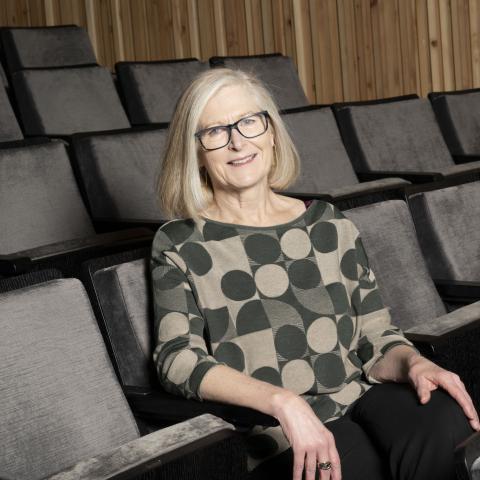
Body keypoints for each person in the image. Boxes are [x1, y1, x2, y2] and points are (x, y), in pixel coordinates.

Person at [151, 68, 479, 480]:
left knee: (443, 421)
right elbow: (176, 358)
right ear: (196, 150)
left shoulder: (327, 222)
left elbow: (375, 335)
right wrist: (283, 402)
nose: (237, 141)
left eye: (249, 121)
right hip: (273, 426)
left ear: (271, 132)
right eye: (215, 131)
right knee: (352, 465)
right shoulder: (180, 242)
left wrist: (412, 362)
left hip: (360, 394)